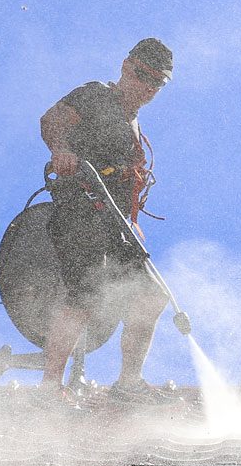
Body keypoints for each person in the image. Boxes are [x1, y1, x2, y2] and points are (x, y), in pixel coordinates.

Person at [38, 38, 173, 402]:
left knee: (150, 296)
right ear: (126, 65)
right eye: (142, 75)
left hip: (116, 223)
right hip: (81, 209)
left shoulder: (133, 124)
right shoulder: (96, 95)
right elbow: (53, 120)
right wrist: (61, 150)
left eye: (157, 82)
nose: (147, 86)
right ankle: (50, 388)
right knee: (85, 293)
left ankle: (129, 382)